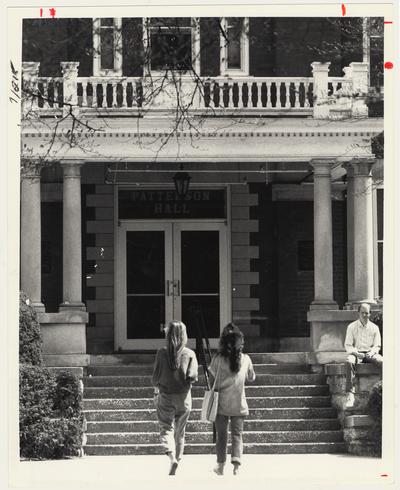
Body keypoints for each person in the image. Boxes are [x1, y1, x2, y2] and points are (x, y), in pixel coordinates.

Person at [208, 323, 256, 476]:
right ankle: (236, 465)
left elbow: (211, 378)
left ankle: (220, 466)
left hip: (221, 404)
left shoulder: (218, 359)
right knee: (237, 435)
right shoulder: (246, 359)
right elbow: (251, 377)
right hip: (239, 404)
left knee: (221, 436)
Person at [152, 321, 198, 475]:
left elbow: (156, 377)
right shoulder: (190, 354)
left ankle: (172, 458)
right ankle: (178, 458)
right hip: (184, 397)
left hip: (166, 396)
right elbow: (193, 376)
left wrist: (156, 392)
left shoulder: (161, 353)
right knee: (180, 431)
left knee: (166, 428)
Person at [344, 303, 383, 406]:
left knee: (383, 362)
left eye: (367, 313)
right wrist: (356, 353)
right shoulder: (351, 327)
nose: (364, 315)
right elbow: (348, 345)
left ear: (370, 314)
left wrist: (372, 352)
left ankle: (384, 390)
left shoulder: (374, 328)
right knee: (349, 361)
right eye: (362, 313)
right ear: (358, 313)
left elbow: (377, 345)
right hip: (356, 353)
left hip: (370, 353)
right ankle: (350, 394)